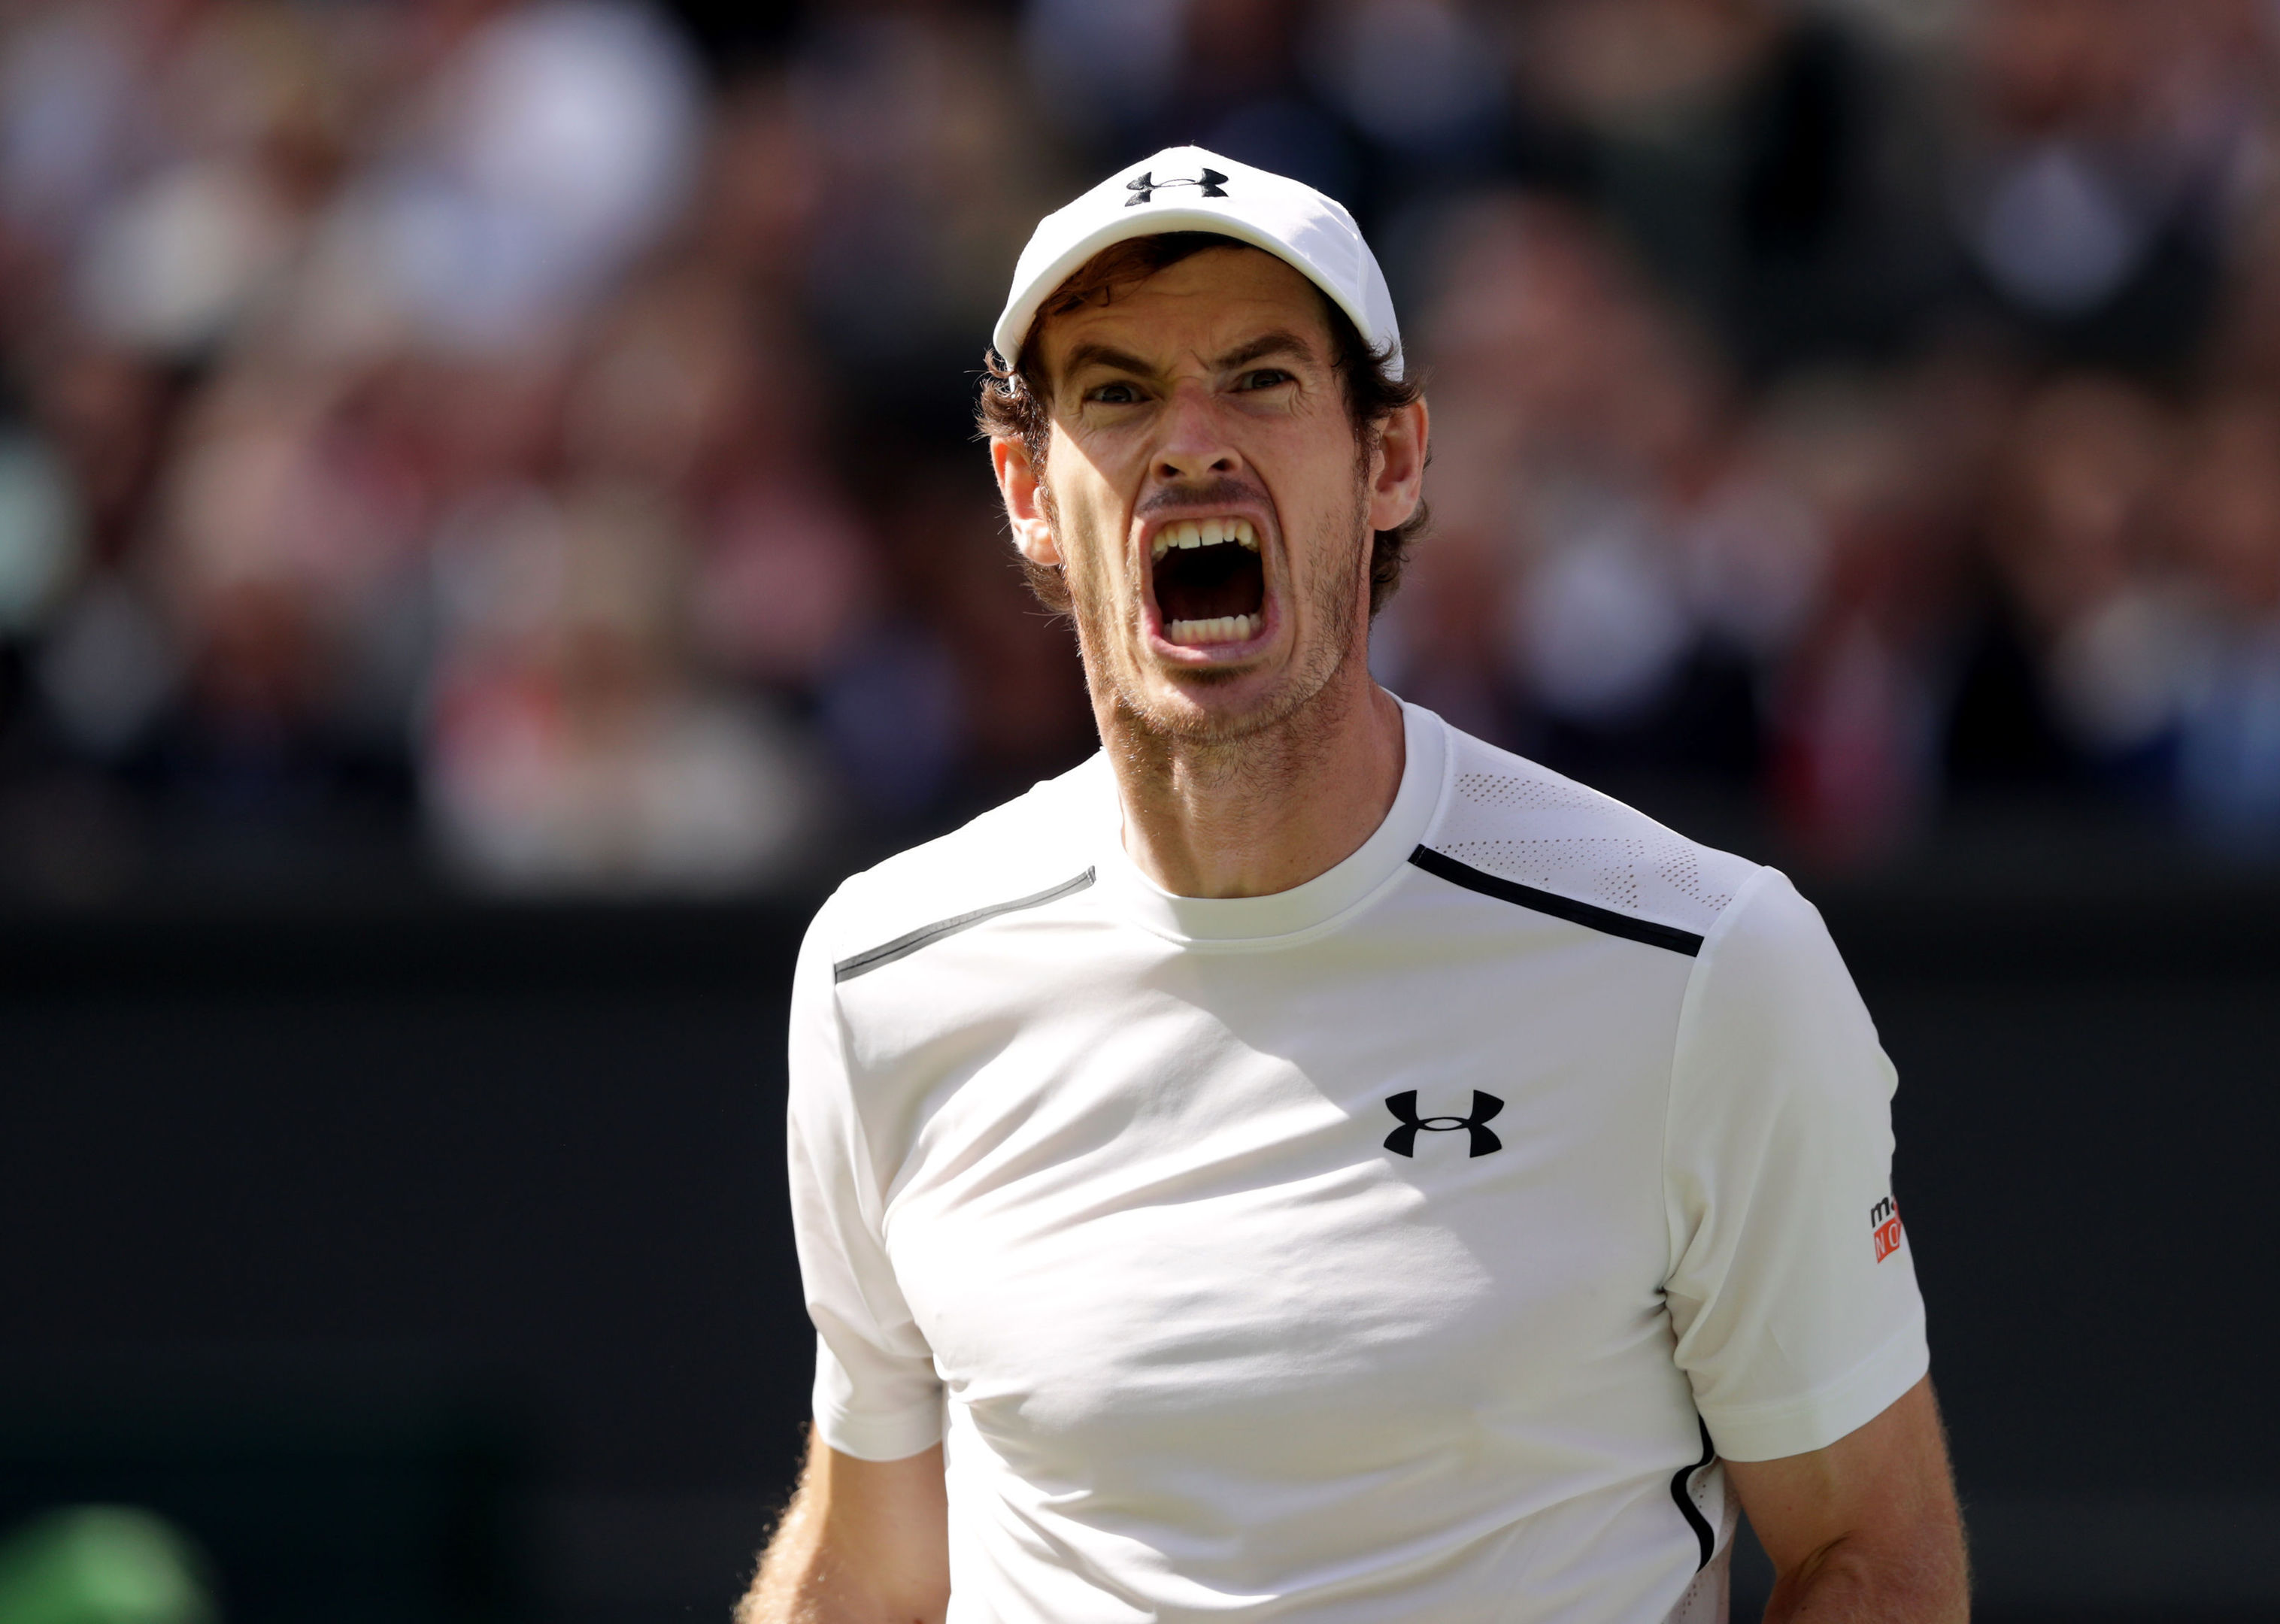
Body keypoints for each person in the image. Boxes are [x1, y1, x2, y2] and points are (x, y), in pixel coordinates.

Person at [739, 147, 1966, 1623]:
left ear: (1389, 462)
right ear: (1026, 490)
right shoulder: (882, 971)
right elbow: (869, 1562)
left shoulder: (1702, 959)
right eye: (1119, 392)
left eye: (1259, 379)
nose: (1189, 443)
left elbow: (1874, 1560)